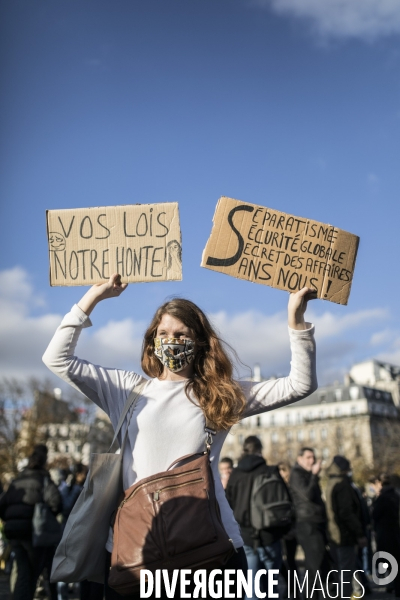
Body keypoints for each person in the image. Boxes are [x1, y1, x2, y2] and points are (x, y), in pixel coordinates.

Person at [42, 274, 317, 599]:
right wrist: (94, 296)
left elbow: (300, 384)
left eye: (181, 334)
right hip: (135, 552)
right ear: (152, 341)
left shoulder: (219, 395)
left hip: (211, 551)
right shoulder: (127, 391)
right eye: (163, 333)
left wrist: (296, 319)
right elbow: (56, 358)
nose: (171, 341)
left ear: (199, 341)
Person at [226, 436, 292, 600]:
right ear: (260, 451)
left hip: (246, 536)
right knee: (271, 587)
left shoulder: (235, 474)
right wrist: (285, 530)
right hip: (270, 534)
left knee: (252, 588)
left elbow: (228, 504)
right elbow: (286, 503)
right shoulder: (271, 471)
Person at [0, 445, 61, 600]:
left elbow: (2, 504)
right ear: (44, 461)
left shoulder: (17, 479)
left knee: (22, 571)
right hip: (33, 531)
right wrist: (47, 513)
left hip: (14, 531)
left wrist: (10, 519)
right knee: (32, 574)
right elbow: (56, 502)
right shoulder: (43, 478)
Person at [325, 455, 367, 600]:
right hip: (344, 534)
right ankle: (347, 596)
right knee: (347, 570)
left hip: (335, 533)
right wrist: (359, 533)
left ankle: (355, 593)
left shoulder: (331, 483)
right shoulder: (342, 485)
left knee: (344, 568)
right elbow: (347, 513)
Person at [289, 447, 329, 598]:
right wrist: (314, 475)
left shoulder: (305, 474)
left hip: (315, 523)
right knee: (317, 566)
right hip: (307, 524)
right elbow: (307, 494)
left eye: (313, 457)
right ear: (299, 459)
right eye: (308, 457)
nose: (311, 461)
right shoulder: (297, 473)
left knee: (313, 569)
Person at [372, 474, 400, 598]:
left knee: (388, 559)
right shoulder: (396, 495)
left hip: (385, 533)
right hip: (395, 532)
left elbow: (375, 514)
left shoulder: (382, 498)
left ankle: (393, 585)